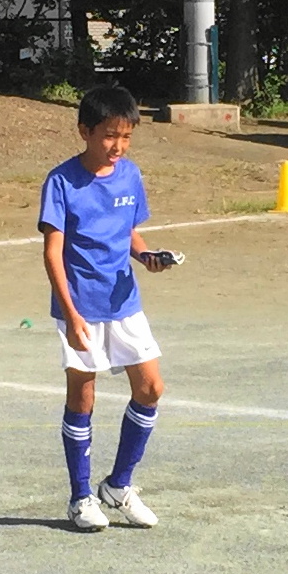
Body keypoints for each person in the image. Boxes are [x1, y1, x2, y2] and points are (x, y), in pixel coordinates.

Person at [39, 85, 177, 531]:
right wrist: (71, 315)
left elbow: (130, 233)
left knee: (151, 388)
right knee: (82, 397)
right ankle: (80, 497)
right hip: (80, 305)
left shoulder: (130, 175)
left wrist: (147, 256)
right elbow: (52, 252)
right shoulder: (61, 182)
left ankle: (118, 486)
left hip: (124, 302)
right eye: (110, 136)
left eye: (126, 137)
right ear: (85, 131)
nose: (118, 146)